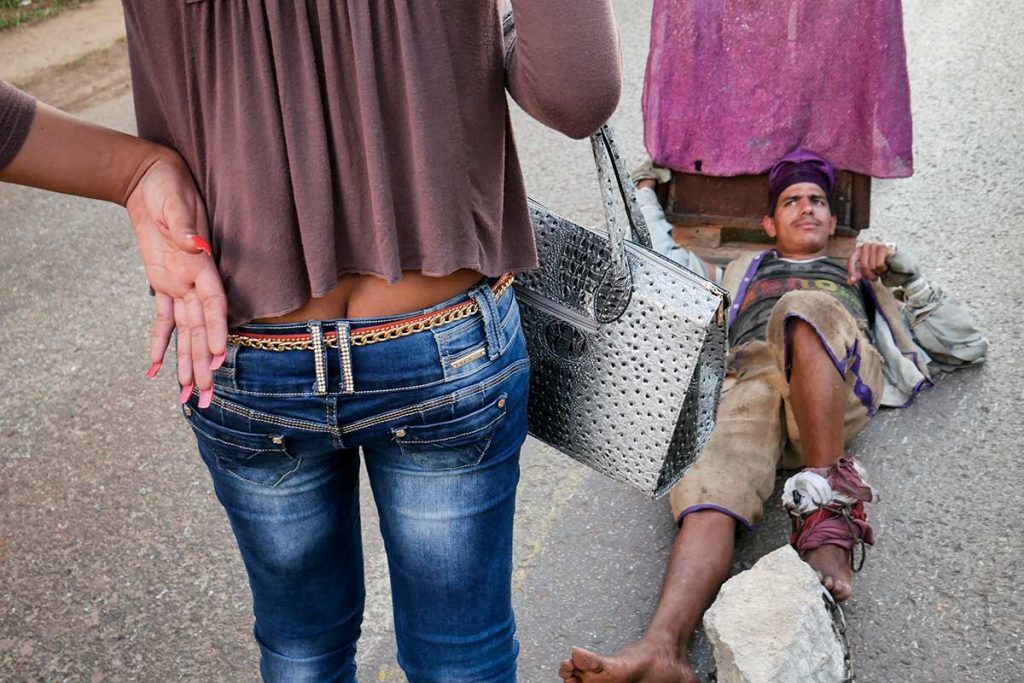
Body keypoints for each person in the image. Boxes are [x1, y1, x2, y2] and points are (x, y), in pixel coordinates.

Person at [1, 2, 622, 681]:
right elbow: (575, 91)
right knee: (461, 658)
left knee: (301, 652)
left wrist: (129, 172)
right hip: (441, 338)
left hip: (244, 348)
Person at [558, 150, 987, 683]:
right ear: (769, 223)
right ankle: (663, 648)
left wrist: (911, 277)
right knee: (709, 479)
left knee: (802, 309)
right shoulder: (739, 271)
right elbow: (659, 252)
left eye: (817, 201)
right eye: (792, 201)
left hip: (832, 391)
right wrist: (645, 188)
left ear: (832, 221)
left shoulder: (859, 270)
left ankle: (829, 518)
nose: (806, 208)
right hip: (750, 383)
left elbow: (967, 346)